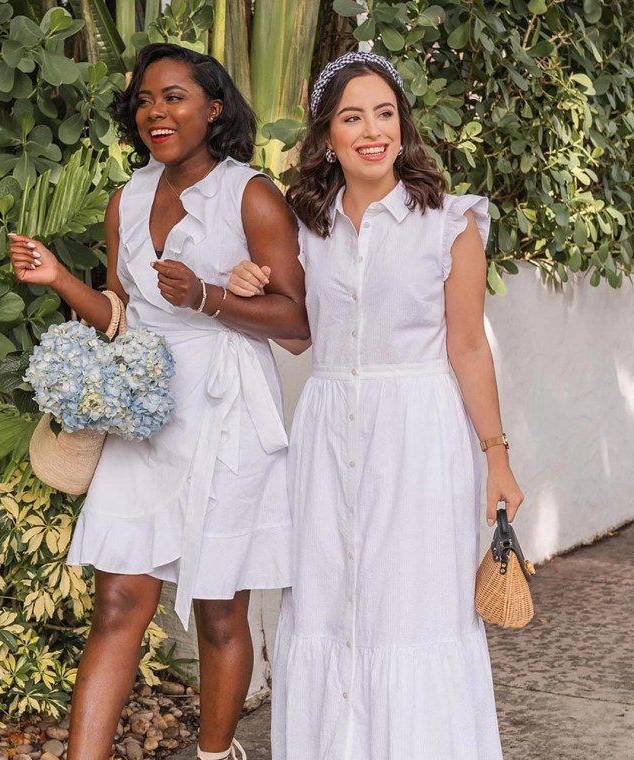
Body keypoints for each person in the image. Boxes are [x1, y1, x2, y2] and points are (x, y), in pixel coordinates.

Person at [8, 42, 308, 760]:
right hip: (147, 410)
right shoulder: (128, 197)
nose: (155, 112)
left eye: (174, 96)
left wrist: (205, 297)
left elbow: (299, 325)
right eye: (144, 99)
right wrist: (57, 279)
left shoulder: (252, 194)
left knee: (219, 611)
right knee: (118, 600)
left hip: (227, 410)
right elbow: (121, 313)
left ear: (213, 106)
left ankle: (215, 755)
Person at [226, 52, 524, 759]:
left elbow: (469, 348)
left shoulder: (450, 223)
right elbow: (299, 335)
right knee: (327, 605)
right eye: (352, 116)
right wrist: (244, 283)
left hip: (419, 434)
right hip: (326, 434)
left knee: (416, 610)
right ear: (327, 135)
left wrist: (498, 458)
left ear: (403, 126)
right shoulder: (304, 227)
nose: (372, 130)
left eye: (384, 114)